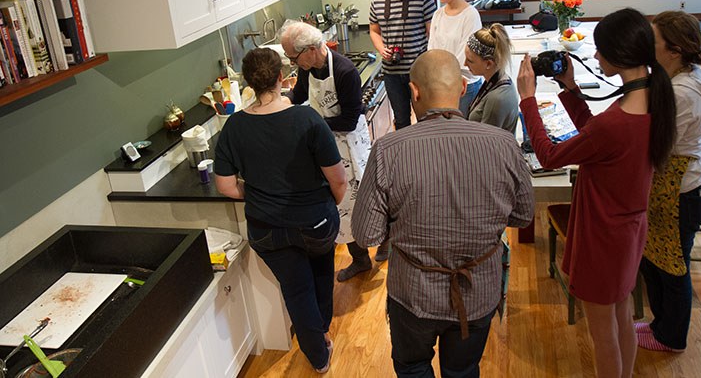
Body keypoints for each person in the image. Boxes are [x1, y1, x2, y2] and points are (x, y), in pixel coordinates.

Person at [353, 50, 534, 378]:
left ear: (414, 91)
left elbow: (366, 234)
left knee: (412, 369)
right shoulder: (505, 144)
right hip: (478, 291)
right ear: (463, 88)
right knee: (463, 370)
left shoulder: (388, 150)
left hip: (413, 296)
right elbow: (523, 216)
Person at [517, 8, 676, 378]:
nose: (597, 57)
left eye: (601, 51)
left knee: (602, 336)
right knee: (621, 316)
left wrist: (528, 99)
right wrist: (570, 89)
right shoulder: (654, 98)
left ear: (619, 55)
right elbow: (598, 139)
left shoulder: (615, 123)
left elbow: (550, 155)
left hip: (602, 238)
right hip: (629, 232)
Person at [214, 47, 347, 374]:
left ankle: (318, 356)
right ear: (280, 78)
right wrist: (332, 204)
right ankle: (323, 332)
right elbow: (338, 180)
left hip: (266, 228)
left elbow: (227, 187)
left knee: (296, 289)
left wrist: (258, 192)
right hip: (315, 220)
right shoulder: (307, 118)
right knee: (321, 273)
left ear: (249, 83)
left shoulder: (234, 126)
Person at [637, 11, 701, 352]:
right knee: (655, 261)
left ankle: (671, 337)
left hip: (682, 194)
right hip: (673, 189)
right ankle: (660, 325)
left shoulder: (683, 92)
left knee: (672, 269)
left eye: (652, 41)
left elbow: (658, 146)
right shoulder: (675, 77)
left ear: (674, 50)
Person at [281, 21, 386, 280]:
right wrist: (282, 103)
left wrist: (314, 125)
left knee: (365, 197)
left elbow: (349, 121)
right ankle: (361, 260)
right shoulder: (309, 68)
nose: (294, 63)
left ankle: (387, 240)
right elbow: (300, 93)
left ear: (311, 50)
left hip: (350, 142)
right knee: (343, 206)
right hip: (327, 143)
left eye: (294, 57)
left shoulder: (345, 71)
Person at [369, 0, 437, 130]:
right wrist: (381, 49)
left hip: (418, 73)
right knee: (401, 121)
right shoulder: (376, 1)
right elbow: (374, 31)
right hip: (391, 73)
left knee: (425, 119)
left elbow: (434, 35)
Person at [427, 0, 483, 116]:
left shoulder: (470, 15)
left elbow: (466, 54)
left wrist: (443, 73)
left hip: (465, 84)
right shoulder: (438, 14)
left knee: (463, 133)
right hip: (441, 82)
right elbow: (432, 49)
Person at [464, 23, 519, 134]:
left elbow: (487, 145)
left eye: (470, 60)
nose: (465, 64)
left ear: (488, 63)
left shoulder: (496, 99)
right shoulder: (499, 81)